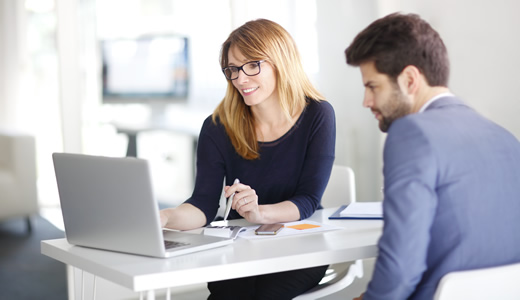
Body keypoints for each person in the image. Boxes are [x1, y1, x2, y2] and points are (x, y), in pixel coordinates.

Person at [344, 13, 520, 300]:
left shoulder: (410, 132)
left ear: (409, 79)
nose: (366, 101)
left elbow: (401, 268)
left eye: (372, 86)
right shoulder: (505, 136)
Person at [160, 19, 336, 299]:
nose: (240, 79)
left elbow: (307, 200)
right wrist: (163, 216)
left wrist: (259, 212)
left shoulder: (317, 115)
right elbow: (203, 205)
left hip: (300, 246)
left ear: (281, 61)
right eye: (232, 69)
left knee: (267, 293)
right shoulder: (218, 126)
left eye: (252, 65)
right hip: (238, 248)